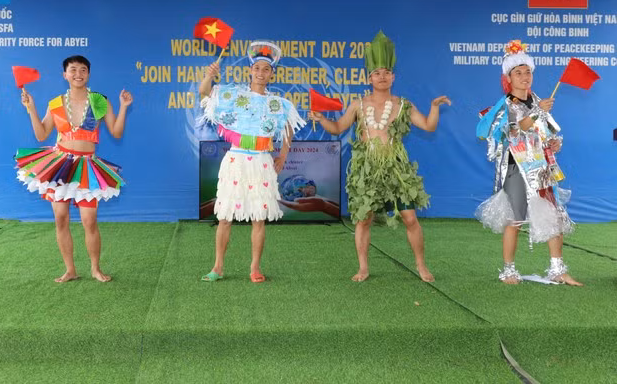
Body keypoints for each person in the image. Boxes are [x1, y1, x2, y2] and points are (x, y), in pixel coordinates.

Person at [309, 32, 450, 282]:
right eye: (377, 73)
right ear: (369, 77)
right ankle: (363, 267)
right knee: (363, 220)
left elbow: (428, 126)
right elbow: (339, 128)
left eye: (386, 72)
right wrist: (322, 120)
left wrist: (434, 107)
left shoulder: (403, 105)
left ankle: (421, 265)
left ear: (393, 77)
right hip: (367, 169)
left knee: (410, 218)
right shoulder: (357, 105)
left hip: (396, 168)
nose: (382, 76)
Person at [17, 55, 132, 283]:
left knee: (89, 220)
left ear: (88, 74)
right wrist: (31, 108)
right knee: (61, 218)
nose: (78, 74)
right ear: (65, 74)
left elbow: (116, 133)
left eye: (82, 70)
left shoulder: (100, 101)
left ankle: (95, 268)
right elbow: (41, 134)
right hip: (60, 166)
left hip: (87, 166)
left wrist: (124, 107)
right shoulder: (56, 103)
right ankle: (70, 270)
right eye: (73, 70)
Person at [475, 40, 581, 286]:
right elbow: (513, 131)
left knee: (554, 215)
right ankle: (509, 270)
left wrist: (555, 144)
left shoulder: (536, 100)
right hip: (516, 167)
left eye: (528, 72)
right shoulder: (507, 105)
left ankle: (557, 269)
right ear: (508, 78)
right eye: (518, 73)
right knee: (515, 218)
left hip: (541, 167)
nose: (524, 77)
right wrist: (536, 113)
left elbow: (549, 134)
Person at [198, 40, 305, 283]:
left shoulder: (278, 104)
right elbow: (205, 93)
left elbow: (288, 128)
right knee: (225, 216)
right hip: (235, 160)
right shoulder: (233, 95)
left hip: (261, 162)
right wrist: (209, 76)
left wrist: (283, 155)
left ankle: (255, 268)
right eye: (256, 68)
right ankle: (218, 267)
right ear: (250, 71)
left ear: (272, 74)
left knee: (259, 217)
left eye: (265, 69)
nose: (260, 73)